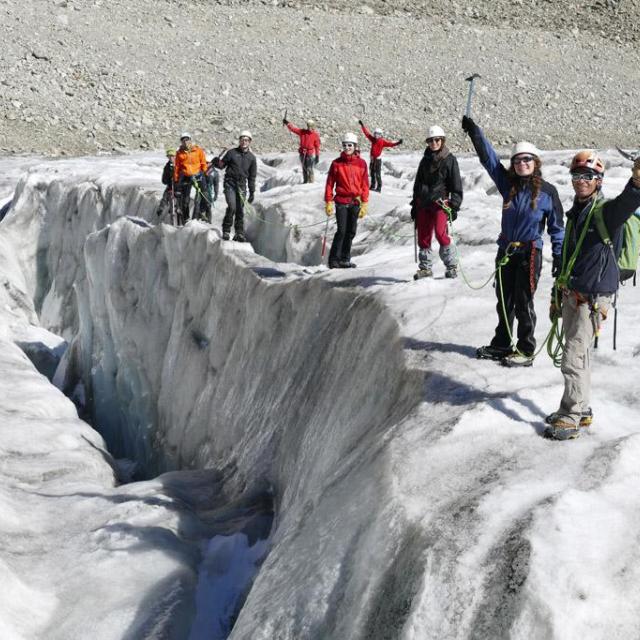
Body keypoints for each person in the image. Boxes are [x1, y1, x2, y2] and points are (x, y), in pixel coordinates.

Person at [544, 152, 640, 440]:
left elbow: (627, 203)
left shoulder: (605, 212)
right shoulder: (576, 213)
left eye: (588, 177)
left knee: (573, 356)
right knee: (579, 354)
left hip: (593, 296)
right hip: (575, 291)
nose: (581, 181)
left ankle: (571, 416)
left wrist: (636, 183)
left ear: (598, 181)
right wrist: (558, 291)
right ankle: (579, 408)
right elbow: (569, 256)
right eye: (577, 176)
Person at [462, 115, 565, 367]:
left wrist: (560, 257)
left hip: (529, 252)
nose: (522, 164)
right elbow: (489, 160)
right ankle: (502, 343)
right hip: (506, 249)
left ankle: (525, 348)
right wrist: (475, 132)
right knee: (504, 299)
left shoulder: (548, 192)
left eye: (527, 159)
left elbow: (557, 229)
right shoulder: (508, 185)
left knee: (523, 300)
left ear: (535, 162)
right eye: (518, 160)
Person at [411, 125, 462, 280]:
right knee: (423, 236)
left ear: (442, 140)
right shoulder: (424, 160)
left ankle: (451, 265)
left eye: (437, 140)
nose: (434, 143)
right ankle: (425, 268)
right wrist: (414, 204)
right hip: (423, 204)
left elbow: (456, 184)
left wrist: (454, 205)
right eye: (431, 140)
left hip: (440, 204)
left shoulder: (450, 160)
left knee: (441, 234)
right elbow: (418, 184)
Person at [324, 132, 369, 269]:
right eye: (345, 145)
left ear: (355, 146)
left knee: (351, 231)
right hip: (342, 202)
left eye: (350, 145)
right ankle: (333, 260)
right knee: (342, 231)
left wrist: (365, 202)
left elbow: (365, 184)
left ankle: (345, 259)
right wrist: (328, 201)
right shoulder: (336, 164)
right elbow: (330, 183)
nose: (347, 147)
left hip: (355, 202)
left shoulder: (362, 164)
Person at [214, 131, 257, 241]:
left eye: (246, 140)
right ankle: (226, 230)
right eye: (242, 139)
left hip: (242, 185)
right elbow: (222, 165)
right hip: (230, 183)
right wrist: (217, 162)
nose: (244, 142)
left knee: (239, 209)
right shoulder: (232, 153)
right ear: (239, 141)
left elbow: (252, 176)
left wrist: (252, 192)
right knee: (232, 207)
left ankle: (239, 233)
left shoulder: (252, 158)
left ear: (250, 142)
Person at [173, 133, 209, 225]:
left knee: (204, 195)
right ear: (181, 142)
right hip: (186, 176)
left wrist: (205, 172)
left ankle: (202, 213)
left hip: (198, 175)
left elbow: (203, 162)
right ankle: (186, 218)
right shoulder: (179, 153)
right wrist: (176, 180)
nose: (185, 142)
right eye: (183, 140)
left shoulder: (198, 150)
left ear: (190, 140)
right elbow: (177, 167)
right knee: (185, 200)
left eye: (187, 139)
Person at [358, 120, 402, 192]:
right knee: (372, 173)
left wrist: (398, 143)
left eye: (378, 134)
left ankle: (379, 187)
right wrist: (362, 126)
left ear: (381, 135)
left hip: (378, 160)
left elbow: (391, 144)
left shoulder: (382, 141)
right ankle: (372, 186)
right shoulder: (373, 139)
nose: (376, 135)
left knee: (377, 174)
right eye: (375, 134)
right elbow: (367, 133)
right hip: (372, 159)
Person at [283, 117, 321, 183]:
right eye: (308, 126)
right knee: (304, 168)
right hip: (302, 153)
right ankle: (305, 181)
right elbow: (294, 129)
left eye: (311, 127)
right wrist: (287, 123)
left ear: (313, 127)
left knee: (309, 168)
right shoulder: (302, 132)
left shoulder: (315, 135)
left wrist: (317, 156)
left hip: (309, 154)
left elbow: (317, 146)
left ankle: (311, 182)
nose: (309, 128)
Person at [155, 148, 177, 221]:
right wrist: (168, 180)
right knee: (165, 196)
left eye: (172, 156)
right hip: (171, 186)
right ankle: (161, 209)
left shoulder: (179, 165)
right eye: (169, 156)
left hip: (179, 186)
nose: (171, 158)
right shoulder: (167, 167)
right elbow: (163, 180)